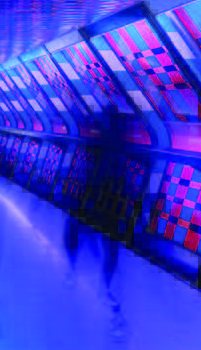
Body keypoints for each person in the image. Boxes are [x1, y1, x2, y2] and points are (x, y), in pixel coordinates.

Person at [62, 104, 127, 341]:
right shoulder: (120, 149)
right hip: (109, 204)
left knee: (74, 230)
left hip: (92, 199)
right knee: (109, 249)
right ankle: (108, 294)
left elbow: (85, 171)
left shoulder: (93, 145)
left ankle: (73, 268)